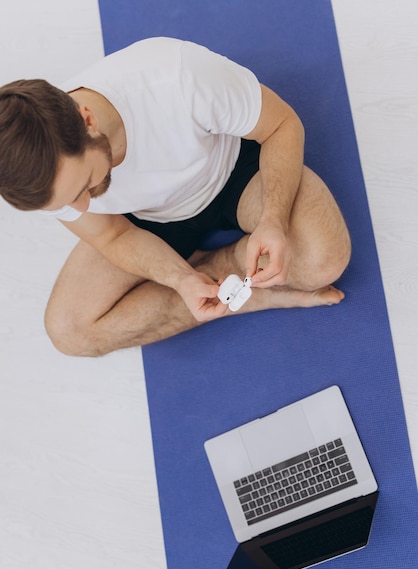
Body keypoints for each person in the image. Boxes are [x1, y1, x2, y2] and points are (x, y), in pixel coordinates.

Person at [0, 37, 351, 356]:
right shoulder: (36, 174)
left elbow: (282, 126)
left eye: (84, 187)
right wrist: (179, 279)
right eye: (65, 203)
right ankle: (246, 292)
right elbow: (112, 234)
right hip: (145, 219)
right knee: (69, 332)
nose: (82, 207)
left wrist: (273, 220)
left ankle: (238, 281)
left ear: (86, 119)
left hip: (233, 174)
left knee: (325, 258)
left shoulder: (178, 78)